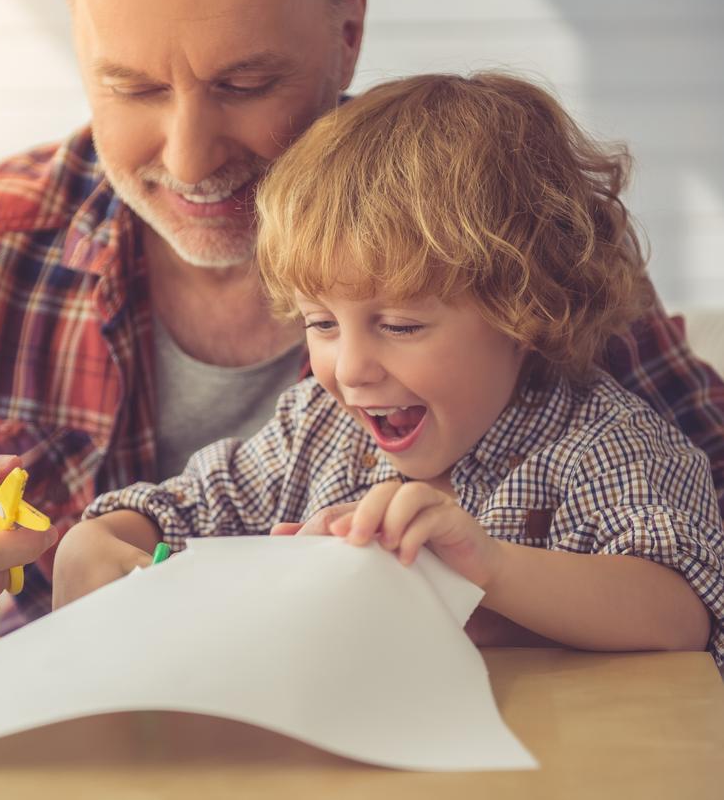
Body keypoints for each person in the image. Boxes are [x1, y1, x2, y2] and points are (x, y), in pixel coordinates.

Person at [0, 0, 722, 637]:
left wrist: (504, 580)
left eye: (246, 82)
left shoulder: (499, 218)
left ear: (347, 30)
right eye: (129, 87)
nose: (191, 158)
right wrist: (84, 548)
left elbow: (697, 558)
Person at [55, 74, 724, 662]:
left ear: (525, 312)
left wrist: (487, 565)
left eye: (401, 325)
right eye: (320, 324)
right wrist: (104, 539)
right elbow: (183, 510)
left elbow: (679, 614)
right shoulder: (314, 433)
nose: (349, 370)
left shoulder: (605, 446)